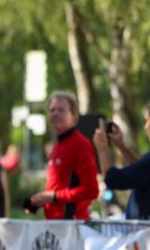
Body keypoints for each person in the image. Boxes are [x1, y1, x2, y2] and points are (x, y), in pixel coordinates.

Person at [28, 91, 99, 220]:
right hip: (56, 226)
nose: (55, 114)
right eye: (52, 110)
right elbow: (57, 188)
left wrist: (53, 196)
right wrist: (39, 201)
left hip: (72, 226)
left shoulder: (80, 144)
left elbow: (91, 190)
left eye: (61, 110)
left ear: (74, 116)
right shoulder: (57, 146)